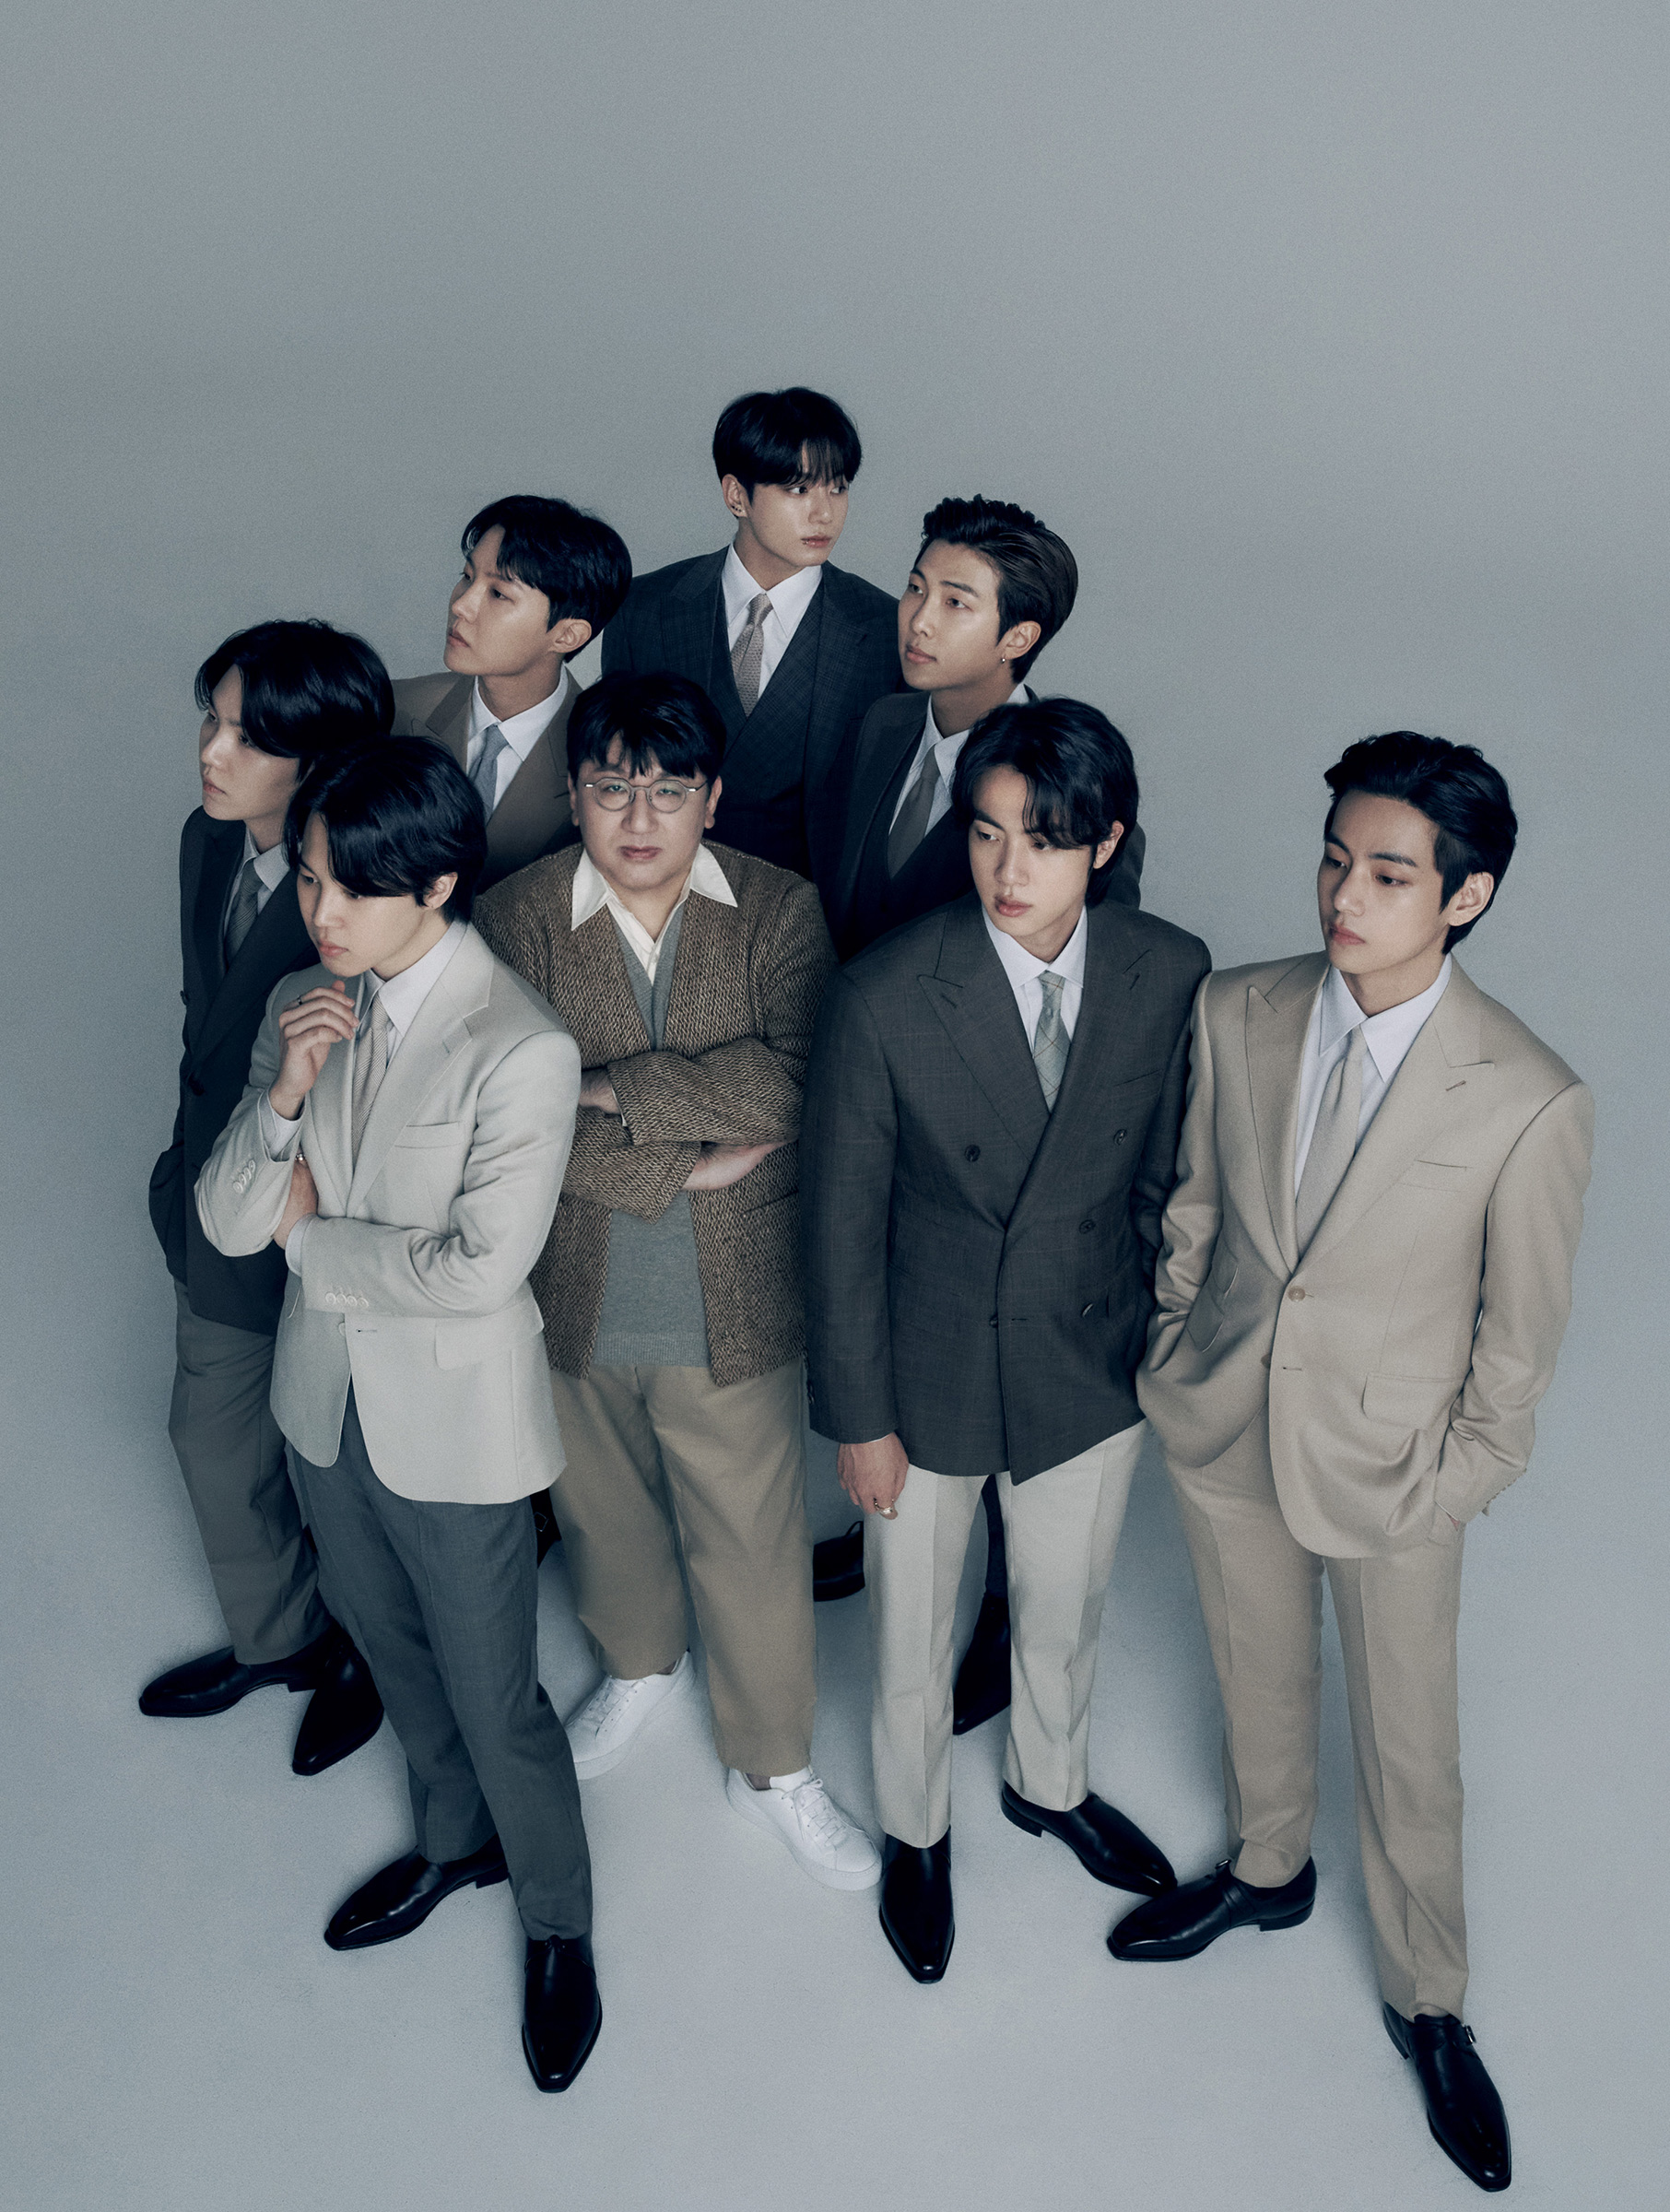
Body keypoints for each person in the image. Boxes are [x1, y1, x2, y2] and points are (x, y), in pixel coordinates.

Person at [1111, 734, 1592, 2195]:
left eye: (1388, 876)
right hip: (1225, 1421)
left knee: (1407, 1747)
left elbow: (1519, 1341)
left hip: (1396, 1472)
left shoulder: (1528, 1095)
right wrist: (1176, 1349)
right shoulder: (1239, 1008)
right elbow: (1196, 1207)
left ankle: (1429, 2000)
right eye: (1335, 862)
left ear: (1465, 897)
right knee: (1255, 1671)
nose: (1343, 896)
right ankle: (1269, 1872)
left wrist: (1457, 1484)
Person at [195, 738, 600, 2093]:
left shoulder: (521, 1048)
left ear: (434, 886)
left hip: (455, 1431)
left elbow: (479, 1273)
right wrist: (285, 1098)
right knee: (394, 1654)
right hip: (324, 1408)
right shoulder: (306, 1003)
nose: (322, 912)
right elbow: (229, 1217)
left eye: (354, 889)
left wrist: (312, 1242)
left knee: (496, 1695)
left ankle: (557, 1921)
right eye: (311, 878)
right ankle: (451, 1843)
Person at [800, 697, 1209, 1982]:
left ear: (1107, 842)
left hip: (1086, 1362)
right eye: (985, 833)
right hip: (924, 1373)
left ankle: (1050, 1784)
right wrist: (860, 1419)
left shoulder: (1167, 970)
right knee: (910, 1636)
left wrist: (1143, 1336)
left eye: (1044, 839)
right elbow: (839, 1230)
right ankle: (917, 1834)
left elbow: (1162, 1179)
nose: (1008, 869)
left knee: (1064, 1611)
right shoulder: (884, 994)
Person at [476, 673, 878, 1891]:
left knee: (750, 1536)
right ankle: (638, 1665)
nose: (639, 818)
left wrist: (602, 1088)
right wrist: (683, 1161)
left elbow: (797, 1077)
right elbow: (503, 1114)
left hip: (732, 1289)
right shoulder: (516, 916)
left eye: (667, 791)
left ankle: (774, 1764)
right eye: (612, 789)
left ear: (710, 797)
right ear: (575, 795)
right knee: (603, 1511)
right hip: (572, 1282)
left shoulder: (778, 909)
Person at [816, 498, 1145, 1724]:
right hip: (868, 1100)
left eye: (956, 602)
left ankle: (1007, 1609)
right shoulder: (881, 724)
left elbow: (1076, 1025)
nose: (916, 618)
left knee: (1003, 1382)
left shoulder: (1059, 795)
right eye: (915, 587)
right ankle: (894, 1525)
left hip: (989, 1160)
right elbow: (837, 909)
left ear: (1020, 638)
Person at [142, 619, 390, 1775]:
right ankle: (287, 1639)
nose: (212, 750)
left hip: (332, 1217)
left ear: (319, 763)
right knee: (222, 1436)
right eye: (214, 718)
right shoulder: (207, 837)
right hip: (215, 1185)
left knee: (339, 1456)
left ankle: (362, 1652)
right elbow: (208, 1018)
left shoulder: (365, 895)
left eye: (248, 736)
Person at [601, 386, 898, 900]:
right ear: (737, 496)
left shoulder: (885, 629)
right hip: (657, 896)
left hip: (814, 913)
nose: (824, 514)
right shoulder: (644, 609)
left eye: (838, 488)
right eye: (798, 490)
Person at [393, 493, 632, 888]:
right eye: (467, 576)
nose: (462, 605)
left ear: (567, 635)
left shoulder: (609, 759)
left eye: (498, 593)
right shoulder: (392, 711)